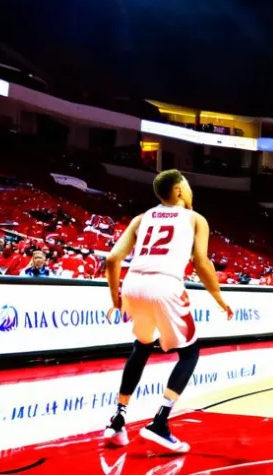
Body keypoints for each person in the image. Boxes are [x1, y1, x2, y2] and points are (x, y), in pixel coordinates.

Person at [101, 169, 233, 453]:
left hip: (134, 284)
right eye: (187, 184)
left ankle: (117, 420)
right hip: (165, 284)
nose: (190, 188)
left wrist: (116, 299)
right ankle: (159, 423)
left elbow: (113, 258)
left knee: (142, 345)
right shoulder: (196, 219)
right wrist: (219, 297)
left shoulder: (141, 218)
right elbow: (200, 263)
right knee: (190, 352)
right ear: (178, 191)